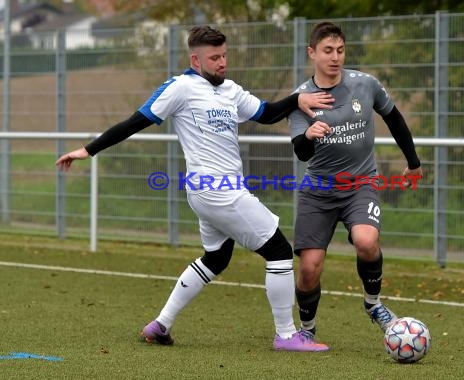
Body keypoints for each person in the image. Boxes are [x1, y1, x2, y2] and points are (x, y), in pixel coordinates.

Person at [56, 26, 334, 352]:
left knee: (216, 258)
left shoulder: (230, 90)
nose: (222, 63)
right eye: (214, 58)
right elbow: (134, 122)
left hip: (215, 192)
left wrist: (296, 100)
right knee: (279, 252)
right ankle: (286, 336)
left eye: (224, 55)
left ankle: (160, 325)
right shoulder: (181, 88)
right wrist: (87, 150)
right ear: (195, 59)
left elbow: (268, 114)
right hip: (215, 190)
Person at [287, 22, 423, 349]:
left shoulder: (365, 84)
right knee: (308, 268)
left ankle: (373, 303)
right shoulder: (301, 98)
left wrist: (413, 162)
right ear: (312, 53)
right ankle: (307, 328)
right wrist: (308, 135)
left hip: (360, 184)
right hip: (318, 191)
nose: (335, 57)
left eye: (340, 50)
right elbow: (301, 151)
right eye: (327, 51)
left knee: (366, 240)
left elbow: (395, 119)